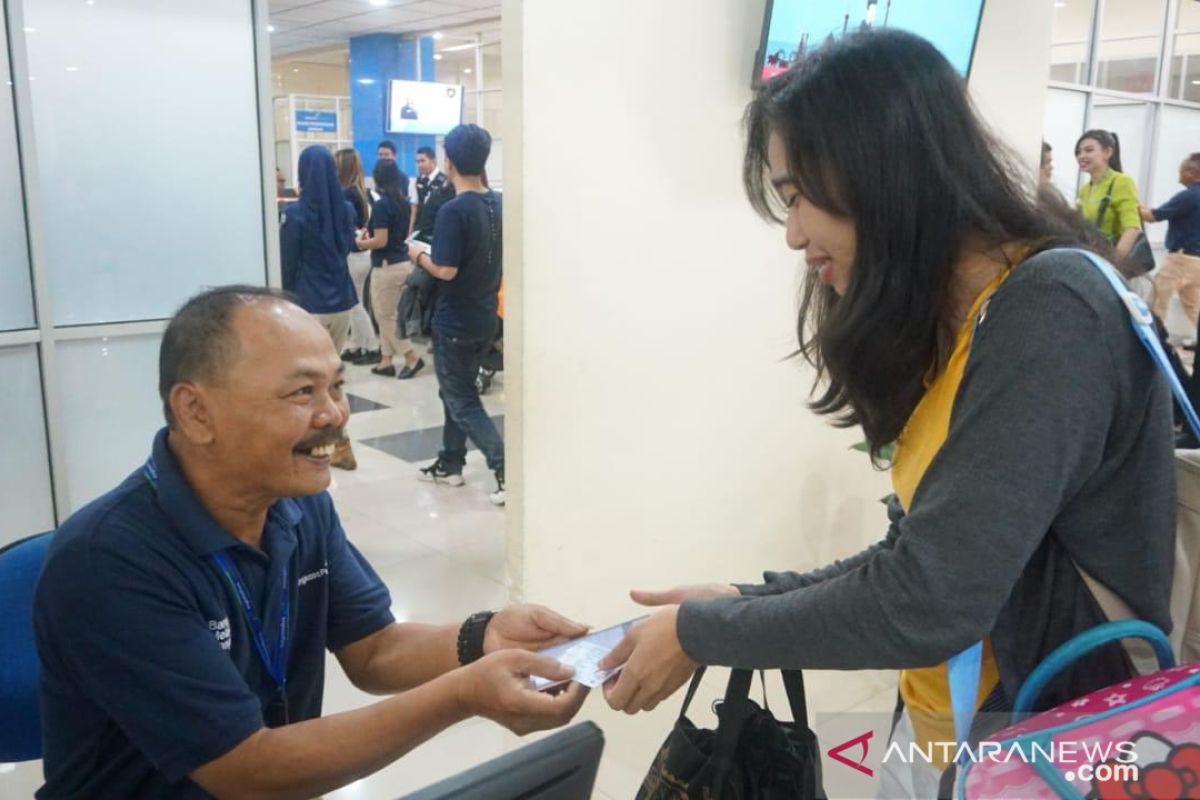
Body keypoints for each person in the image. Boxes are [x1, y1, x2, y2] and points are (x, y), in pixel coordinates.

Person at [595, 30, 1174, 798]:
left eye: (798, 194)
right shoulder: (968, 321)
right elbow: (920, 554)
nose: (795, 233)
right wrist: (745, 601)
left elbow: (930, 601)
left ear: (882, 170)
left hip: (1058, 751)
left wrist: (704, 635)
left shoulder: (1051, 311)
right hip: (949, 736)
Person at [32, 286, 589, 799]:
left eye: (338, 386)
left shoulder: (297, 503)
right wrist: (464, 694)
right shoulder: (107, 561)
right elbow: (247, 768)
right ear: (196, 411)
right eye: (303, 391)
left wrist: (483, 636)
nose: (335, 415)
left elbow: (374, 649)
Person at [408, 124, 506, 505]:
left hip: (455, 319)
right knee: (454, 390)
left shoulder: (454, 210)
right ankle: (451, 463)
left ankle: (504, 467)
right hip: (485, 315)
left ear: (448, 163)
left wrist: (417, 254)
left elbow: (445, 269)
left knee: (461, 397)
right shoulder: (497, 203)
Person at [280, 145, 359, 470]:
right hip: (342, 303)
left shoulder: (296, 214)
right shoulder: (345, 210)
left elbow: (287, 263)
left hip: (307, 308)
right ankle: (341, 445)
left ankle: (304, 445)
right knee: (331, 382)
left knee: (301, 385)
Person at [356, 159, 425, 379]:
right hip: (402, 263)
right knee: (390, 314)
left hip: (386, 266)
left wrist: (360, 243)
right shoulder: (403, 203)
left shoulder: (383, 204)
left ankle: (412, 357)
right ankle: (386, 361)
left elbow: (380, 241)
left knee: (384, 316)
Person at [1142, 152, 1200, 330]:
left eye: (1181, 169)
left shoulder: (1188, 196)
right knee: (1194, 309)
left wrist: (1129, 204)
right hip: (1197, 261)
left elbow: (1152, 216)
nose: (1178, 173)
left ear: (1191, 171)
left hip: (1180, 260)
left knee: (1157, 302)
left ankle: (1155, 342)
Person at [335, 147, 382, 365]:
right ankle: (355, 343)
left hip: (354, 254)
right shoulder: (363, 192)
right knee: (358, 299)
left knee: (354, 303)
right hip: (364, 253)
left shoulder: (345, 194)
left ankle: (372, 346)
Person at [1075, 129, 1143, 258]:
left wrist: (1113, 263)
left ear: (1107, 152)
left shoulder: (1122, 182)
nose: (1081, 156)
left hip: (1109, 262)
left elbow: (1132, 228)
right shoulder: (1084, 190)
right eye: (1079, 152)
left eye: (1089, 150)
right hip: (1089, 257)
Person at [408, 145, 448, 238]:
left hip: (437, 229)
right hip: (420, 229)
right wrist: (410, 231)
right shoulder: (417, 181)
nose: (419, 165)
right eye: (417, 162)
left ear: (433, 161)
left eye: (422, 161)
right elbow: (414, 208)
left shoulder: (444, 181)